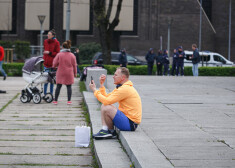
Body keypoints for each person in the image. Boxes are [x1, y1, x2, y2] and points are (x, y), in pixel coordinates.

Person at [89, 67, 142, 140]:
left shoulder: (125, 89)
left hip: (130, 123)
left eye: (115, 75)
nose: (113, 77)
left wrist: (95, 90)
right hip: (127, 120)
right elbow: (107, 97)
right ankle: (110, 131)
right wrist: (101, 84)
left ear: (122, 77)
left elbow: (106, 101)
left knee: (106, 106)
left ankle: (106, 130)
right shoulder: (122, 87)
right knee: (105, 106)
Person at [52, 40, 77, 105]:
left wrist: (54, 67)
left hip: (60, 72)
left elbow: (54, 63)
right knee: (69, 86)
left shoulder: (59, 55)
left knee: (58, 86)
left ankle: (55, 100)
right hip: (69, 73)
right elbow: (74, 65)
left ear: (62, 47)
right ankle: (69, 101)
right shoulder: (72, 55)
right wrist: (75, 73)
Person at [43, 29, 60, 98]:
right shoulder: (45, 41)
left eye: (49, 35)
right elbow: (45, 50)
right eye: (47, 34)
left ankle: (51, 94)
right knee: (45, 80)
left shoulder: (56, 43)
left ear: (52, 36)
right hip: (46, 64)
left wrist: (50, 53)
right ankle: (44, 94)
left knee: (52, 81)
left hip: (53, 65)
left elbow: (57, 53)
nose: (47, 35)